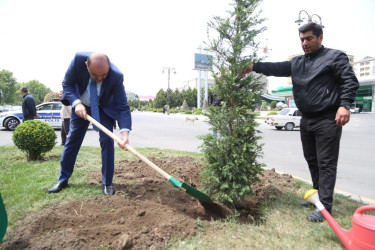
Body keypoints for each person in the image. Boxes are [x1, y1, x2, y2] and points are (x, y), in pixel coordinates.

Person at [242, 22, 359, 222]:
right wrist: (253, 67)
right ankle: (317, 197)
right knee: (312, 160)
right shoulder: (298, 63)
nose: (304, 43)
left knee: (326, 163)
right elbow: (275, 67)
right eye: (302, 39)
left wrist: (345, 104)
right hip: (306, 119)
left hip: (327, 119)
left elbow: (349, 80)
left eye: (309, 38)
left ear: (320, 38)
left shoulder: (334, 57)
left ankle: (325, 208)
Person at [48, 52, 132, 196]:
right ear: (86, 66)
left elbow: (122, 105)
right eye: (95, 75)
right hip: (81, 105)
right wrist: (76, 103)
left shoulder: (116, 75)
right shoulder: (77, 61)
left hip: (103, 108)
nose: (99, 78)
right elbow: (67, 84)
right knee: (72, 140)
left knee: (107, 141)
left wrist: (124, 132)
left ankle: (107, 183)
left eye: (103, 75)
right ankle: (63, 179)